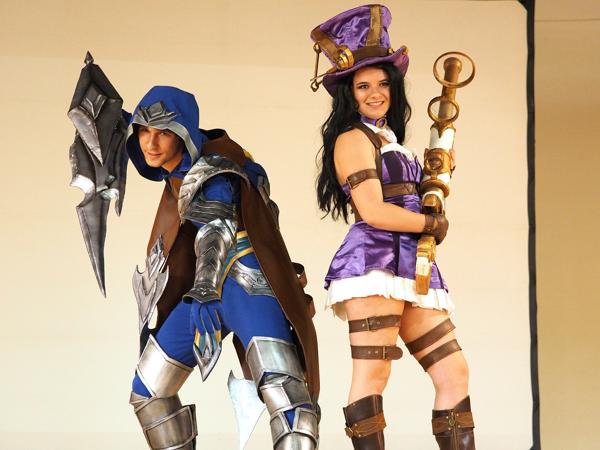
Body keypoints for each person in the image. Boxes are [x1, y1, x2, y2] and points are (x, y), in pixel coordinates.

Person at [68, 62, 319, 450]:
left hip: (247, 285)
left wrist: (203, 288)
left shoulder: (214, 169)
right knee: (149, 393)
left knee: (287, 399)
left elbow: (217, 227)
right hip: (207, 294)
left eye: (164, 133)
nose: (151, 144)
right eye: (144, 132)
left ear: (183, 134)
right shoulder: (179, 168)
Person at [310, 5, 475, 450]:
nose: (375, 93)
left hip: (411, 262)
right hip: (373, 262)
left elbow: (412, 196)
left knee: (453, 372)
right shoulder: (352, 139)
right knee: (373, 375)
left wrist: (439, 172)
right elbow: (374, 211)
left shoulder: (390, 140)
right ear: (350, 94)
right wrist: (430, 222)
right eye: (363, 86)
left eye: (382, 84)